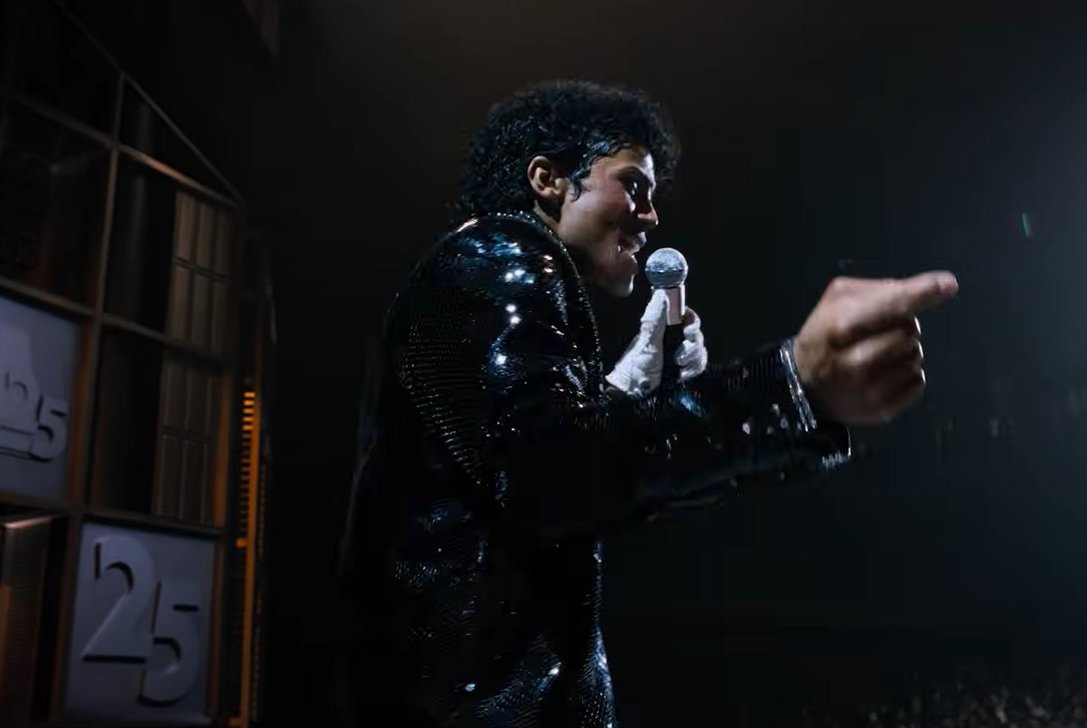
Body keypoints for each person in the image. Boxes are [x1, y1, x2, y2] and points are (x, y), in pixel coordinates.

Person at [337, 79, 958, 727]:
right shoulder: (498, 258)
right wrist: (788, 384)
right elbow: (553, 475)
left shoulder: (485, 272)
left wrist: (627, 391)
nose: (651, 216)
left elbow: (541, 480)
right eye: (633, 185)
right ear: (548, 181)